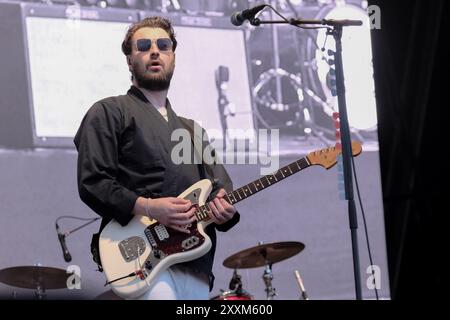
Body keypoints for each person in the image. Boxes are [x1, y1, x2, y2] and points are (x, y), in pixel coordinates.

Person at [74, 16, 240, 300]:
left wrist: (225, 210)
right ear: (129, 59)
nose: (155, 51)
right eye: (144, 45)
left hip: (196, 265)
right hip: (143, 260)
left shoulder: (192, 130)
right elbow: (94, 182)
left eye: (164, 45)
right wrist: (149, 207)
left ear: (172, 56)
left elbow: (219, 189)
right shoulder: (109, 111)